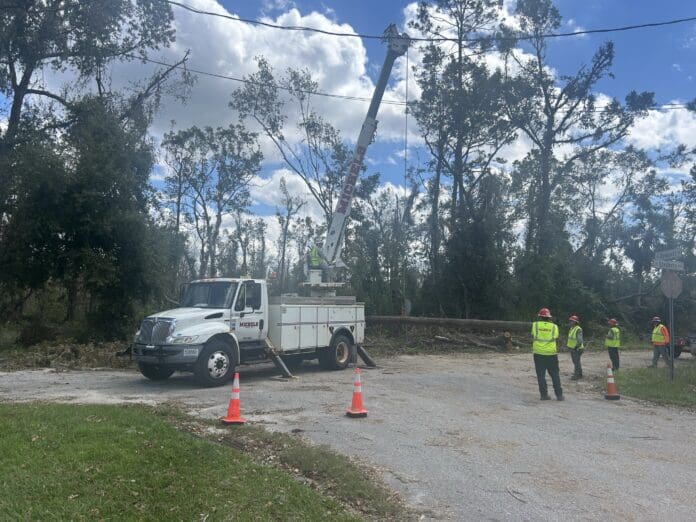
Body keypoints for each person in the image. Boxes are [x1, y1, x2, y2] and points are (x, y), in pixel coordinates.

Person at [531, 308, 563, 401]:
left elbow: (533, 335)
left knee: (541, 375)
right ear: (549, 317)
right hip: (551, 354)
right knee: (555, 375)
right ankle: (559, 395)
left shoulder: (535, 325)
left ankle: (544, 395)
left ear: (540, 316)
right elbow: (555, 337)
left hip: (538, 353)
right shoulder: (554, 327)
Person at [567, 315, 584, 380]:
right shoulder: (572, 328)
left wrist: (576, 347)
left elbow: (580, 340)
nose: (570, 322)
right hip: (574, 348)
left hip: (577, 348)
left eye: (571, 321)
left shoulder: (578, 329)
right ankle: (579, 374)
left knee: (576, 362)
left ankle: (577, 375)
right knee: (576, 361)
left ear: (575, 322)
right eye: (570, 321)